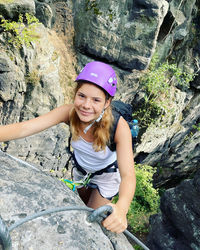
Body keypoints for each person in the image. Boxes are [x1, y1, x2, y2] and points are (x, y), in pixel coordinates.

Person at [0, 61, 136, 234]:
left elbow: (128, 175)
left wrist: (122, 209)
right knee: (79, 209)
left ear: (107, 102)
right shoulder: (69, 112)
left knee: (89, 224)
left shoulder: (118, 127)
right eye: (82, 96)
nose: (86, 105)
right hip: (80, 170)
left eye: (96, 100)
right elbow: (24, 128)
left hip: (106, 177)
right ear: (75, 94)